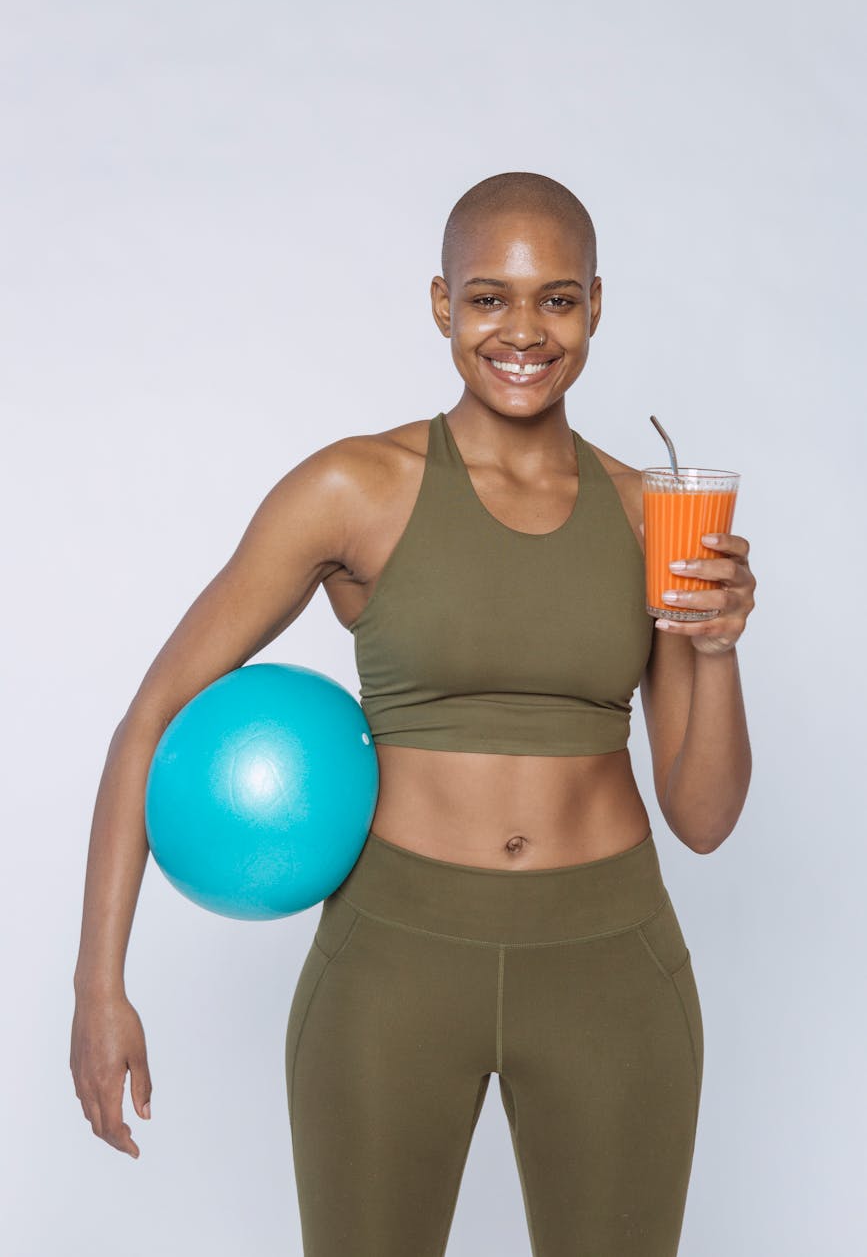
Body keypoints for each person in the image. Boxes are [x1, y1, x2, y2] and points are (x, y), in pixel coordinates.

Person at [70, 171, 755, 1256]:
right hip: (394, 964)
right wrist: (98, 988)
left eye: (557, 299)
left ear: (595, 305)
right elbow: (151, 717)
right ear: (442, 304)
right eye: (488, 298)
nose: (523, 330)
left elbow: (705, 818)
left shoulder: (646, 511)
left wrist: (715, 650)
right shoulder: (356, 488)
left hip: (611, 969)